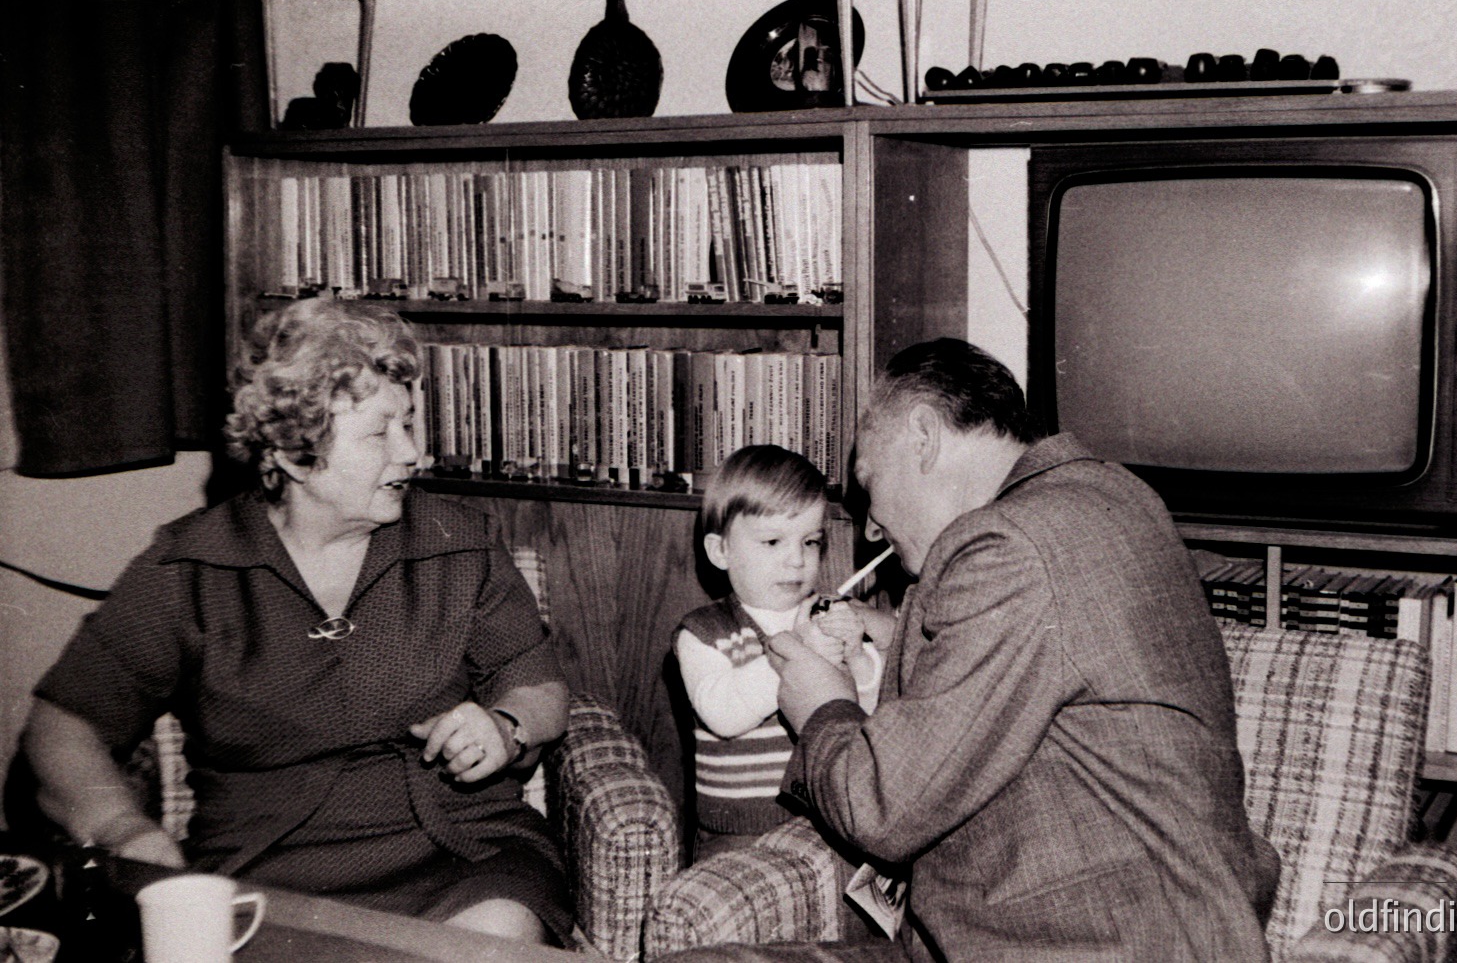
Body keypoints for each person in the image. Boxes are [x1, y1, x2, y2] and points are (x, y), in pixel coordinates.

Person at [22, 300, 573, 944]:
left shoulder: (460, 541)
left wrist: (506, 727)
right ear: (291, 450)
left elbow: (539, 686)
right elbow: (62, 727)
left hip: (462, 856)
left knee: (492, 940)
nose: (413, 454)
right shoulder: (191, 567)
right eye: (380, 433)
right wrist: (123, 830)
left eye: (410, 424)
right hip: (265, 876)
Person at [754, 338, 1281, 961]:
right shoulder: (1109, 497)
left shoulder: (1010, 544)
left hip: (1095, 946)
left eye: (868, 481)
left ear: (923, 436)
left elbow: (882, 808)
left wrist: (823, 706)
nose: (869, 524)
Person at [674, 445, 887, 862]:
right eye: (772, 541)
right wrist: (800, 649)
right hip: (736, 837)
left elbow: (870, 710)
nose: (796, 560)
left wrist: (858, 659)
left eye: (810, 542)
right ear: (721, 552)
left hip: (823, 827)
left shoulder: (825, 617)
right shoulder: (702, 633)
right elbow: (723, 714)